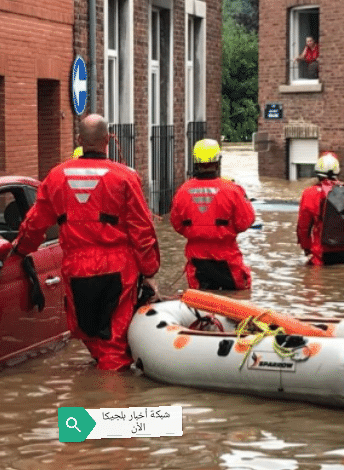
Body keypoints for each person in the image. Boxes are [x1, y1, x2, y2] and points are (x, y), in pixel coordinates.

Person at [13, 114, 160, 371]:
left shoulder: (56, 176)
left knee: (89, 333)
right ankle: (110, 399)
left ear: (79, 140)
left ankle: (91, 398)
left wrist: (20, 250)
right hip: (117, 267)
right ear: (108, 140)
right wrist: (149, 272)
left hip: (76, 267)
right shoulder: (125, 177)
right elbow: (142, 230)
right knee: (114, 343)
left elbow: (35, 223)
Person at [170, 139, 255, 290]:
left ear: (195, 162)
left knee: (200, 305)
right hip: (228, 258)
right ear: (218, 161)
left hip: (197, 259)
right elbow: (246, 221)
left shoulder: (182, 191)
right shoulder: (232, 190)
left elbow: (177, 224)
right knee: (236, 302)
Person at [296, 151, 344, 266]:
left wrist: (306, 248)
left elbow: (303, 227)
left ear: (317, 173)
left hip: (322, 255)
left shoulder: (310, 193)